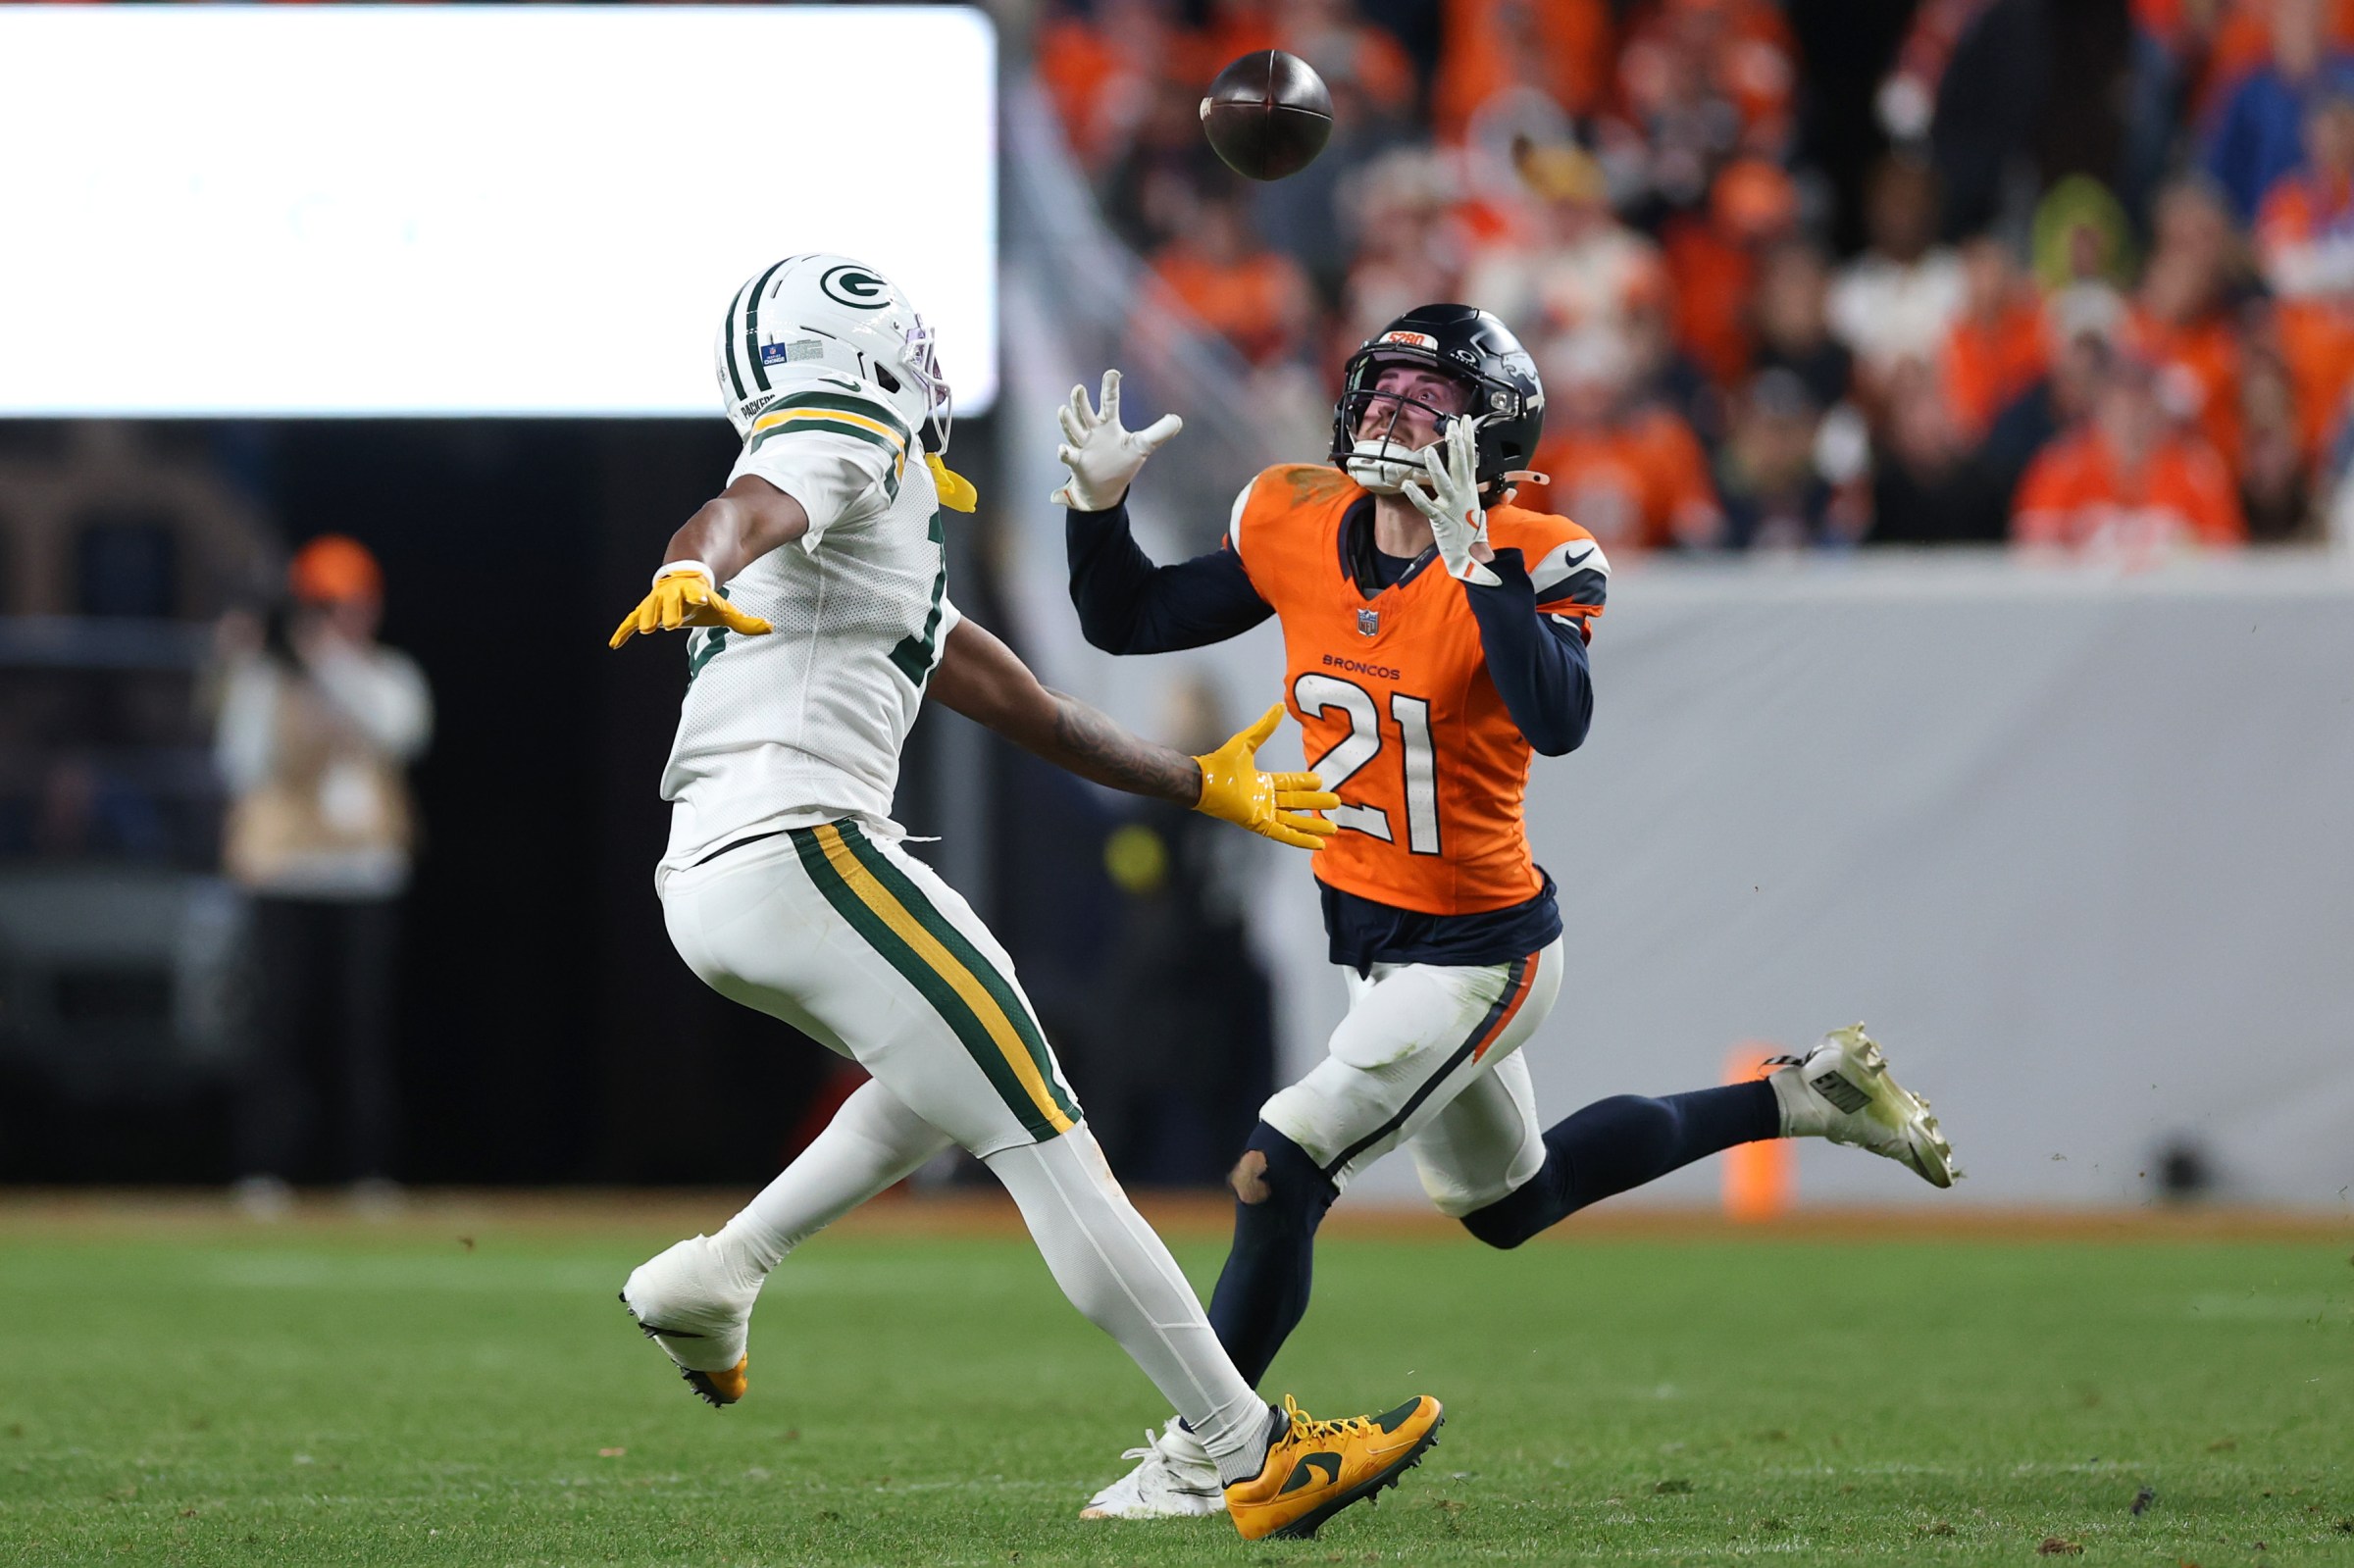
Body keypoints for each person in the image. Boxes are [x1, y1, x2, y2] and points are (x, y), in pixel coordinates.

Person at [1059, 303, 1960, 1520]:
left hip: (1482, 955)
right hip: (1371, 944)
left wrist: (1475, 560)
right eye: (1382, 389)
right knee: (1510, 1204)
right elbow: (1130, 620)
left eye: (1427, 402)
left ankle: (1210, 1452)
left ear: (1489, 438)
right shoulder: (1295, 520)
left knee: (1281, 1165)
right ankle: (1799, 1093)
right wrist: (1095, 514)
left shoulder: (1538, 549)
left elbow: (1560, 719)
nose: (1390, 415)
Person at [604, 255, 1440, 1543]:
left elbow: (1024, 704)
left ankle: (717, 1272)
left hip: (724, 876)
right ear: (860, 346)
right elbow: (748, 505)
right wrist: (692, 555)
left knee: (949, 1085)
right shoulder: (841, 430)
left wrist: (1203, 785)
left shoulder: (875, 515)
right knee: (1039, 1123)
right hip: (801, 848)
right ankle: (1245, 1445)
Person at [215, 535, 432, 1212]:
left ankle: (367, 1170)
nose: (337, 617)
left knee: (361, 1029)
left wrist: (329, 659)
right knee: (278, 1025)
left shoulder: (387, 675)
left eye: (347, 604)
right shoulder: (264, 679)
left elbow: (401, 733)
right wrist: (253, 657)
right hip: (285, 871)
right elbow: (238, 763)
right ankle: (265, 1170)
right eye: (322, 606)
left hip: (364, 872)